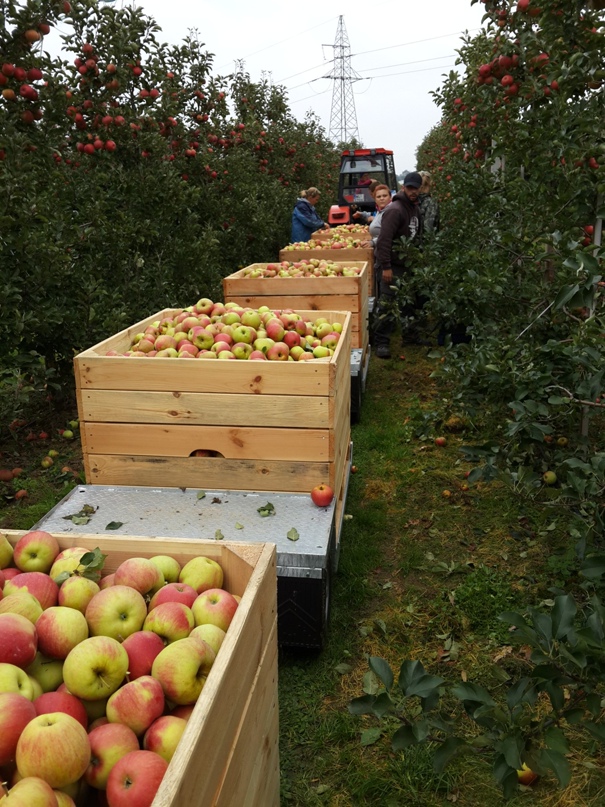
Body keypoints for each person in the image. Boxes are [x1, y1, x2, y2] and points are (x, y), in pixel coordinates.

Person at [373, 171, 426, 358]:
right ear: (404, 187)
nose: (413, 191)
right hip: (392, 266)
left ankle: (410, 335)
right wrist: (386, 266)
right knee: (387, 304)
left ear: (420, 189)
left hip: (406, 265)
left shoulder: (415, 209)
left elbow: (415, 237)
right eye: (409, 187)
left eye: (416, 188)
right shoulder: (395, 210)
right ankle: (381, 342)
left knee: (407, 302)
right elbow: (384, 241)